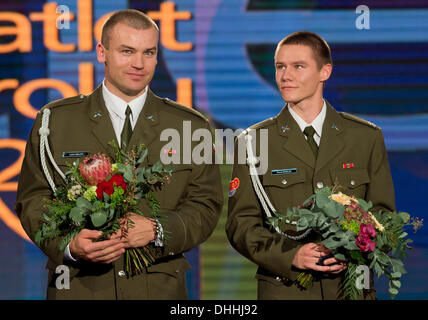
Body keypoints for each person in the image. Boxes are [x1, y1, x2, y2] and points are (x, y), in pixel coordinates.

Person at [15, 9, 223, 300]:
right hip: (79, 286)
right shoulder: (55, 121)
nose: (139, 63)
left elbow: (206, 204)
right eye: (127, 51)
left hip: (158, 288)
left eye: (149, 52)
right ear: (102, 52)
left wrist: (157, 229)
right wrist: (69, 244)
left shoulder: (189, 126)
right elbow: (33, 199)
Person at [226, 31, 395, 300]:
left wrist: (349, 248)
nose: (285, 76)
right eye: (280, 66)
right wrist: (291, 256)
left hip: (350, 289)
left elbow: (384, 218)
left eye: (298, 66)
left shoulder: (365, 137)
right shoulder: (253, 142)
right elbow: (241, 225)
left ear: (324, 71)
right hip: (286, 290)